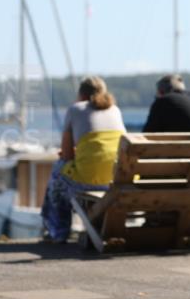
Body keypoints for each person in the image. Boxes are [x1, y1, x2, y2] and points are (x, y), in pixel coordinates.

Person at [41, 76, 126, 242]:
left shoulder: (75, 109)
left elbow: (66, 155)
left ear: (81, 94)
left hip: (88, 180)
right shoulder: (115, 110)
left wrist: (70, 154)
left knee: (58, 172)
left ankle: (59, 231)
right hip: (116, 179)